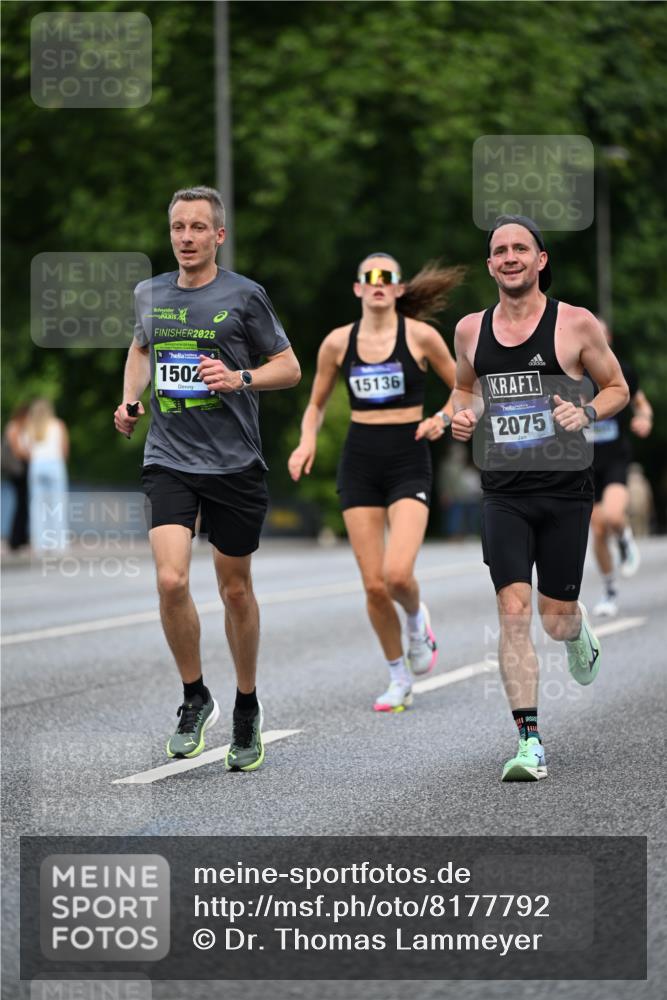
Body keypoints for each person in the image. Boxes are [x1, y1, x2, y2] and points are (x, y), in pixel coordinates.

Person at [114, 185, 300, 772]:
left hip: (234, 463)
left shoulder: (245, 296)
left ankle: (247, 704)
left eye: (198, 228)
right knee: (171, 581)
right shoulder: (150, 293)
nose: (186, 238)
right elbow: (141, 349)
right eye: (178, 228)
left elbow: (288, 368)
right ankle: (195, 697)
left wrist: (239, 378)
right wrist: (129, 401)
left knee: (235, 590)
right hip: (168, 454)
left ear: (218, 235)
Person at [451, 215, 628, 782]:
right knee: (512, 611)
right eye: (500, 250)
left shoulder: (575, 325)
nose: (510, 258)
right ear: (490, 264)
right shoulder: (470, 330)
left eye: (520, 248)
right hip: (503, 492)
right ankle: (530, 742)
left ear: (540, 259)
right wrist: (462, 414)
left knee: (554, 620)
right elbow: (466, 386)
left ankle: (578, 631)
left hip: (564, 490)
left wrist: (588, 411)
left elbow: (617, 386)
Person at [288, 253, 463, 712]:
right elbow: (316, 405)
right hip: (360, 460)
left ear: (400, 290)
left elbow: (467, 387)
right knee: (372, 585)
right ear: (358, 289)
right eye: (371, 277)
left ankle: (415, 618)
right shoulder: (337, 344)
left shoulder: (422, 337)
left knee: (397, 574)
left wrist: (443, 418)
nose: (379, 283)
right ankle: (397, 676)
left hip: (408, 458)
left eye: (388, 277)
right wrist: (306, 442)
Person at [587, 320, 653, 617]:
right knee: (598, 530)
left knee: (612, 516)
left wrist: (645, 419)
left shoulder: (621, 370)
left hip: (615, 458)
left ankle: (625, 539)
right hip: (582, 463)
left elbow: (642, 404)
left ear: (608, 338)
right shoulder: (569, 372)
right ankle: (609, 590)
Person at [25, 398, 69, 553]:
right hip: (55, 464)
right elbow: (64, 449)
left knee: (37, 507)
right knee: (57, 505)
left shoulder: (30, 427)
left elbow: (27, 451)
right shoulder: (58, 425)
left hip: (37, 465)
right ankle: (59, 544)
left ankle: (40, 545)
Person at [2, 402, 31, 551]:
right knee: (21, 504)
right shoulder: (14, 427)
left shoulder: (20, 428)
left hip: (20, 469)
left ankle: (21, 537)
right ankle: (16, 539)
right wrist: (32, 455)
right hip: (17, 470)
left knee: (23, 504)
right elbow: (17, 450)